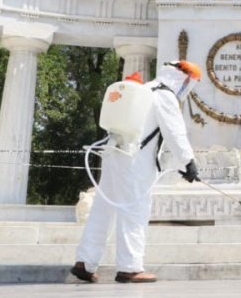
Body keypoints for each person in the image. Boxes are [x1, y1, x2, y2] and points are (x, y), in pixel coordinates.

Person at [71, 61, 202, 284]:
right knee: (134, 210)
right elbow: (175, 132)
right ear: (183, 78)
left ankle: (85, 262)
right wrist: (189, 162)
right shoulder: (164, 95)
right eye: (189, 83)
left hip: (113, 155)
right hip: (135, 161)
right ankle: (130, 268)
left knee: (102, 209)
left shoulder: (143, 89)